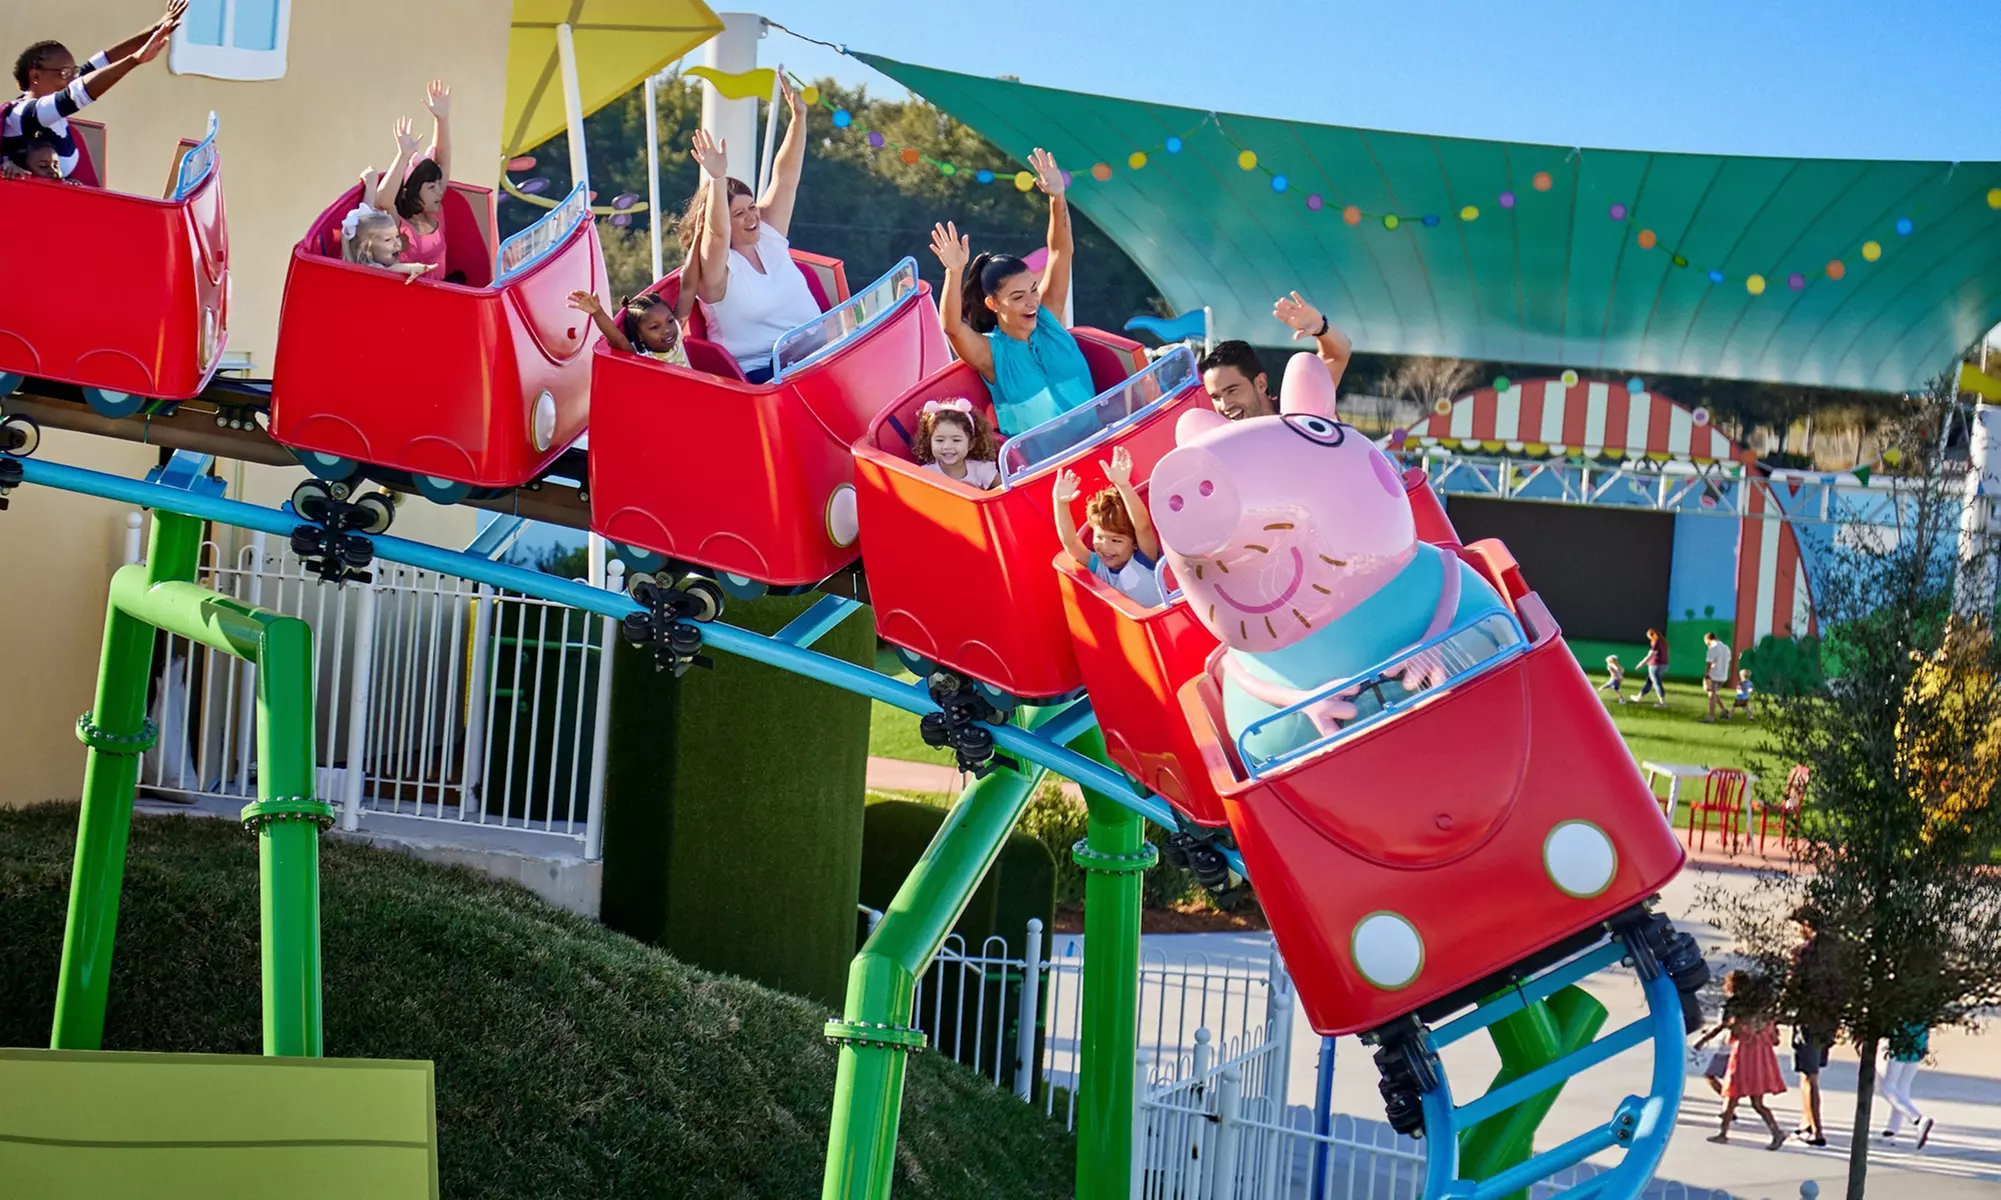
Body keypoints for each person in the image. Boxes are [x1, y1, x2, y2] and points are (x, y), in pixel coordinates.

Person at [929, 147, 1094, 437]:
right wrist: (953, 273)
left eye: (1033, 290)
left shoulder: (1047, 319)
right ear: (993, 303)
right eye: (1018, 297)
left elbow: (1060, 251)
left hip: (1099, 449)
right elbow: (952, 327)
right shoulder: (992, 354)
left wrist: (1057, 197)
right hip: (1046, 472)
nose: (1032, 302)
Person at [688, 77, 819, 383]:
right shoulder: (717, 270)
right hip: (765, 377)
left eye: (752, 208)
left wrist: (799, 119)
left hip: (819, 355)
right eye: (739, 213)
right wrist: (717, 179)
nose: (751, 217)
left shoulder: (769, 237)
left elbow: (785, 180)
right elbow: (717, 235)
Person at [3, 1, 183, 181]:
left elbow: (104, 62)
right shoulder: (22, 115)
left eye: (74, 72)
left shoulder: (55, 104)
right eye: (65, 73)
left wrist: (159, 28)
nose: (73, 79)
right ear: (35, 76)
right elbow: (75, 95)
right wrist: (134, 60)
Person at [1198, 301, 1354, 421]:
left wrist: (1321, 327)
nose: (1225, 405)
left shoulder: (1301, 405)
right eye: (1216, 397)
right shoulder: (1225, 445)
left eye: (1232, 390)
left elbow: (1336, 355)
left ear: (1260, 383)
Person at [1055, 446, 1162, 608]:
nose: (1105, 546)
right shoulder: (1099, 566)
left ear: (1134, 543)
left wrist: (1123, 485)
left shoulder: (1144, 559)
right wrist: (1060, 503)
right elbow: (1070, 542)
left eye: (1116, 540)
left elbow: (1143, 526)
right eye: (1099, 537)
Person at [371, 82, 455, 282]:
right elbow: (382, 201)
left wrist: (442, 120)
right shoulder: (398, 223)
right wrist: (403, 155)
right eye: (431, 187)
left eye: (438, 185)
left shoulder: (434, 213)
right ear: (411, 190)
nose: (439, 192)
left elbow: (442, 160)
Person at [1697, 971, 1789, 1150]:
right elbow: (1774, 1038)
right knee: (1756, 1101)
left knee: (1732, 1093)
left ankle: (1724, 1133)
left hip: (1743, 1054)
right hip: (1760, 1057)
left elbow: (1727, 1027)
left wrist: (1703, 1040)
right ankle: (1776, 1132)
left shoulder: (1736, 1007)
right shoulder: (1761, 1010)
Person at [1786, 904, 1845, 1147]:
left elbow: (1792, 987)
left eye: (1798, 927)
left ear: (1807, 925)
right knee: (1810, 1074)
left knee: (1809, 1075)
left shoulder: (1803, 953)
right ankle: (1806, 1122)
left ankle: (1817, 1131)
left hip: (1808, 1018)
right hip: (1829, 1019)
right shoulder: (1837, 951)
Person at [569, 291, 688, 367]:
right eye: (655, 327)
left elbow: (688, 290)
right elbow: (618, 339)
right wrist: (597, 312)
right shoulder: (642, 359)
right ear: (639, 334)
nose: (667, 329)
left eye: (670, 321)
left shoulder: (675, 332)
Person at [911, 398, 1000, 489]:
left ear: (971, 444)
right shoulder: (926, 475)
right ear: (929, 442)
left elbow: (1005, 490)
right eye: (940, 440)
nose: (947, 446)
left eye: (956, 440)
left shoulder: (981, 469)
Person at [341, 203, 433, 284]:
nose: (397, 243)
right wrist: (410, 268)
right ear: (367, 249)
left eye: (397, 236)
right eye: (388, 240)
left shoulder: (381, 260)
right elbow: (386, 271)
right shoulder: (370, 269)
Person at [1878, 1023, 1935, 1147]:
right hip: (1918, 1040)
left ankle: (1917, 1119)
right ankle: (1892, 1130)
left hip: (1899, 1042)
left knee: (1887, 1087)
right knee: (1902, 1087)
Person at [1702, 631, 1734, 722]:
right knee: (1713, 692)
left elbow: (1709, 663)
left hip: (1714, 675)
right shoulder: (1726, 648)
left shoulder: (1713, 648)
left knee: (1711, 696)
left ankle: (1711, 717)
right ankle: (1724, 710)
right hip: (1723, 675)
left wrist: (1706, 675)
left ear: (1708, 640)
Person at [1632, 629, 1669, 706]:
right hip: (1664, 665)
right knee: (1649, 681)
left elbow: (1651, 655)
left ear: (1652, 635)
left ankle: (1662, 702)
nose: (1649, 638)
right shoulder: (1663, 642)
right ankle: (1639, 697)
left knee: (1657, 683)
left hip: (1655, 666)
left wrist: (1641, 664)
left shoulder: (1656, 642)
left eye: (1649, 636)